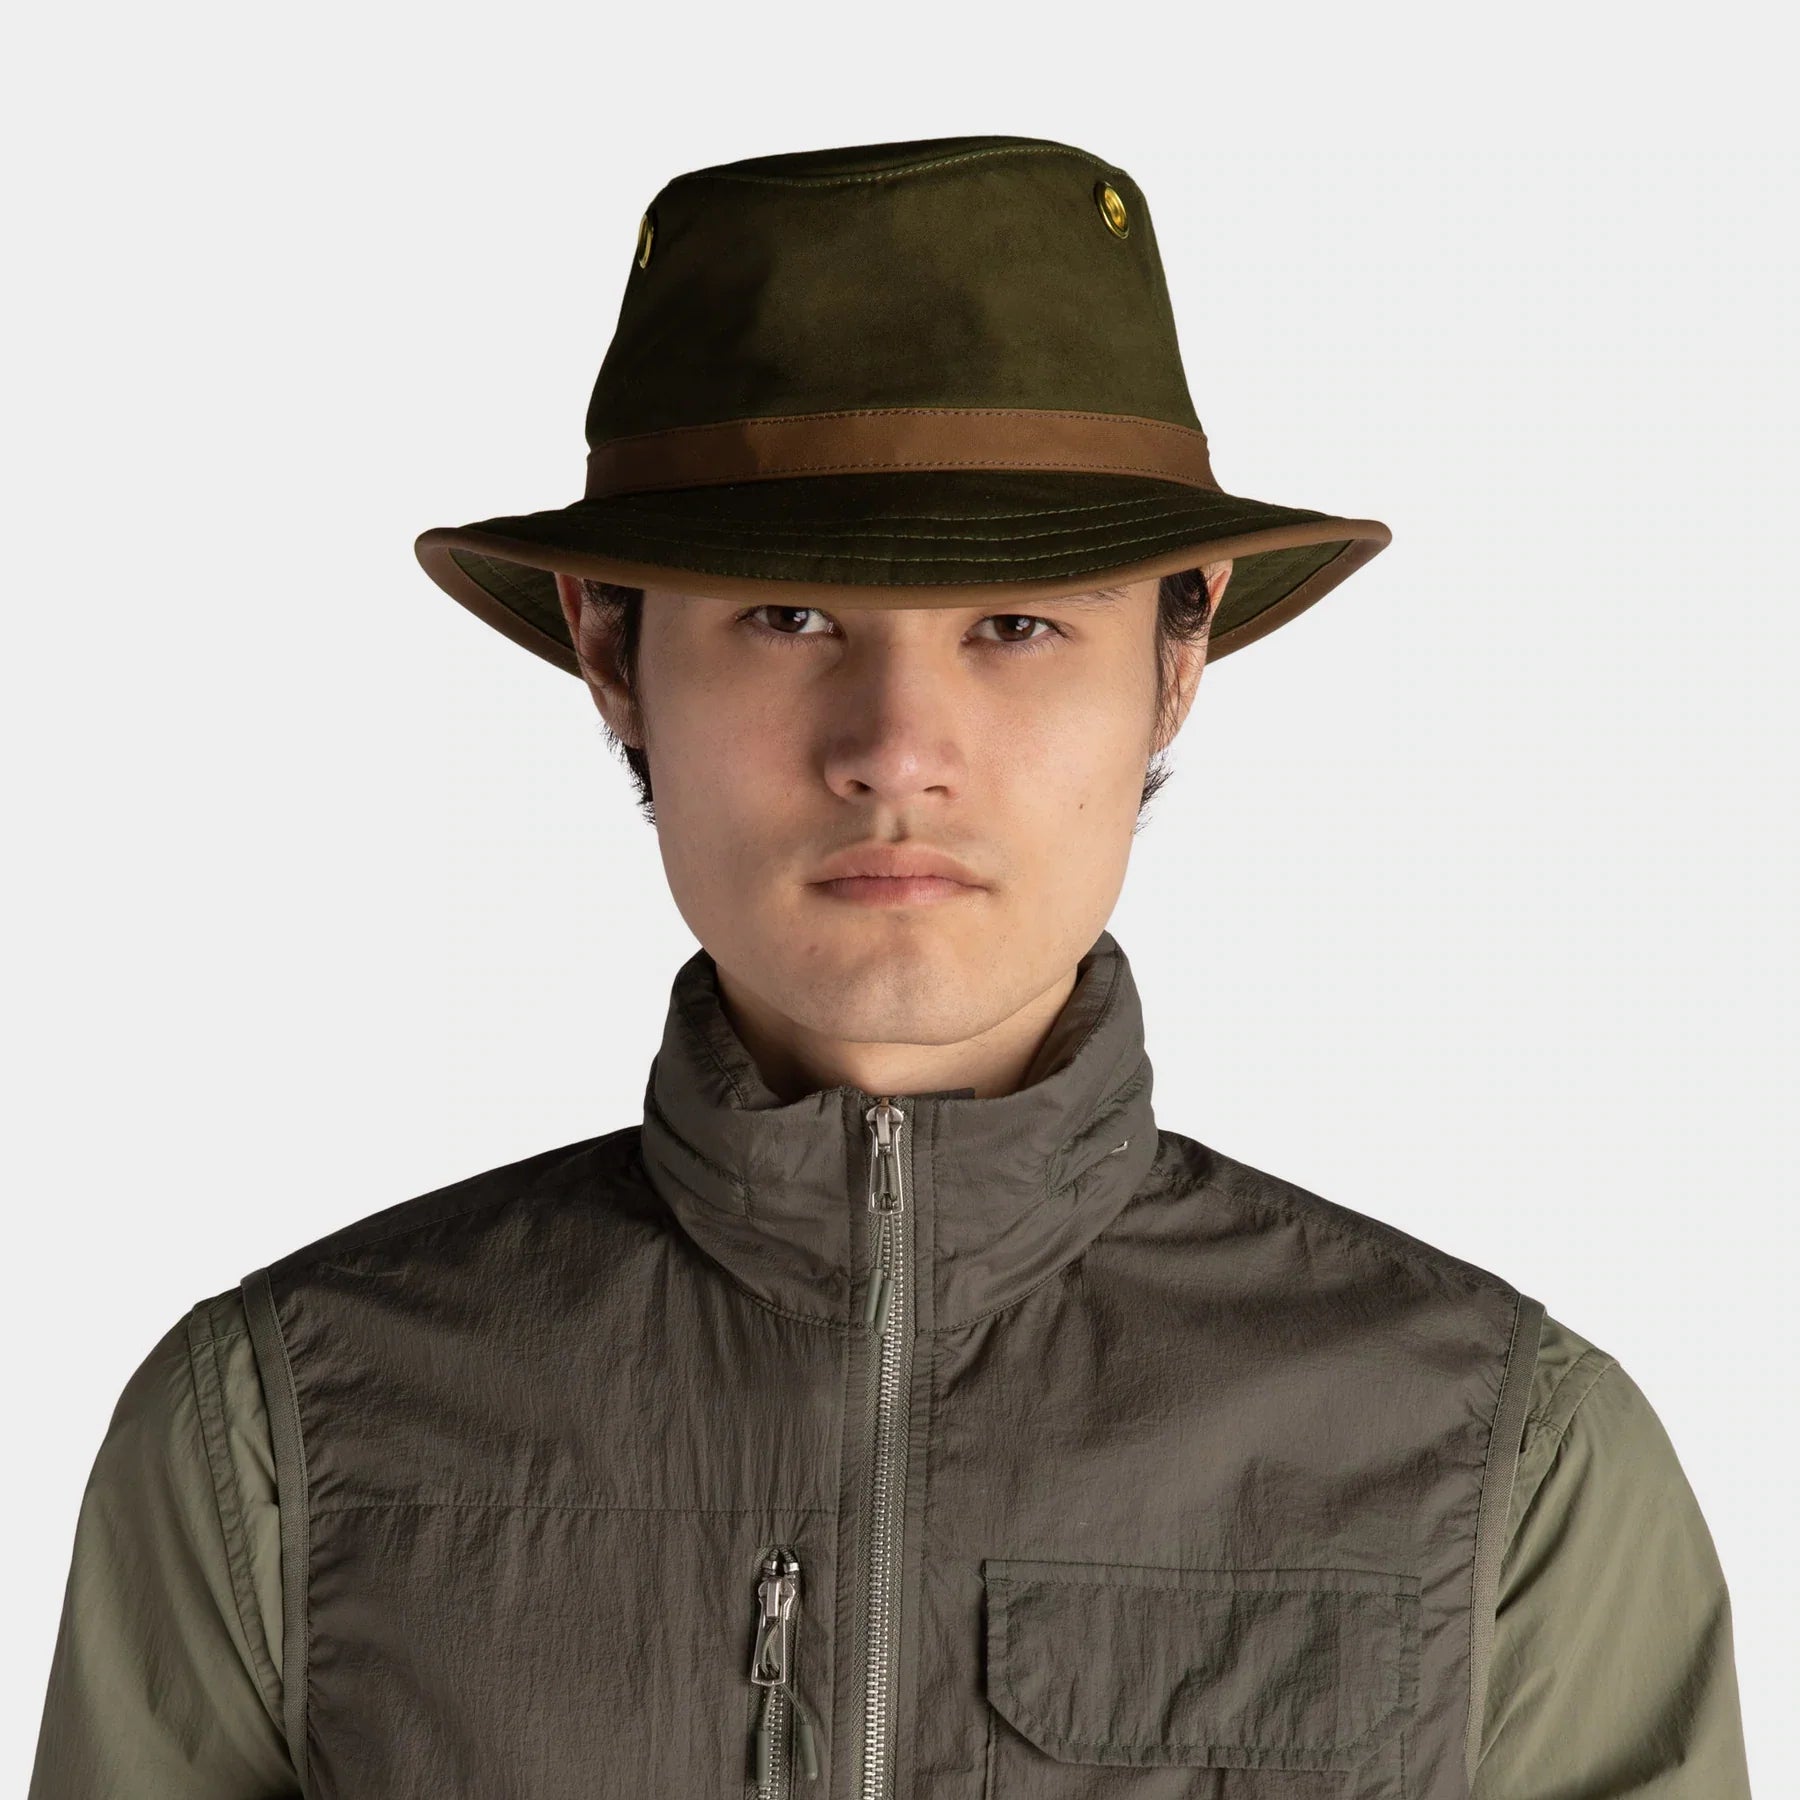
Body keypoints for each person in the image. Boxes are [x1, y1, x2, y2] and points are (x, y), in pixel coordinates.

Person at [29, 133, 1751, 1800]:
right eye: (787, 616)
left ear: (1180, 658)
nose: (897, 750)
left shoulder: (1502, 1473)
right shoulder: (281, 1447)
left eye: (1017, 624)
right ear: (611, 652)